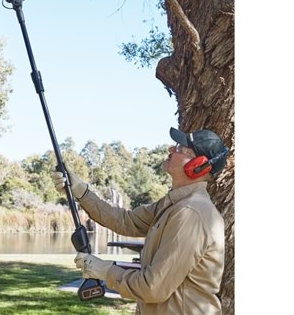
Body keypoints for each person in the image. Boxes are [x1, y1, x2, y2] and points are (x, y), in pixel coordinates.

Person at [52, 127, 229, 315]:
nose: (171, 149)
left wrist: (105, 270)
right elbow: (126, 221)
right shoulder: (174, 205)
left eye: (180, 148)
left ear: (198, 165)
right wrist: (80, 190)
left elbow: (153, 287)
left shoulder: (190, 213)